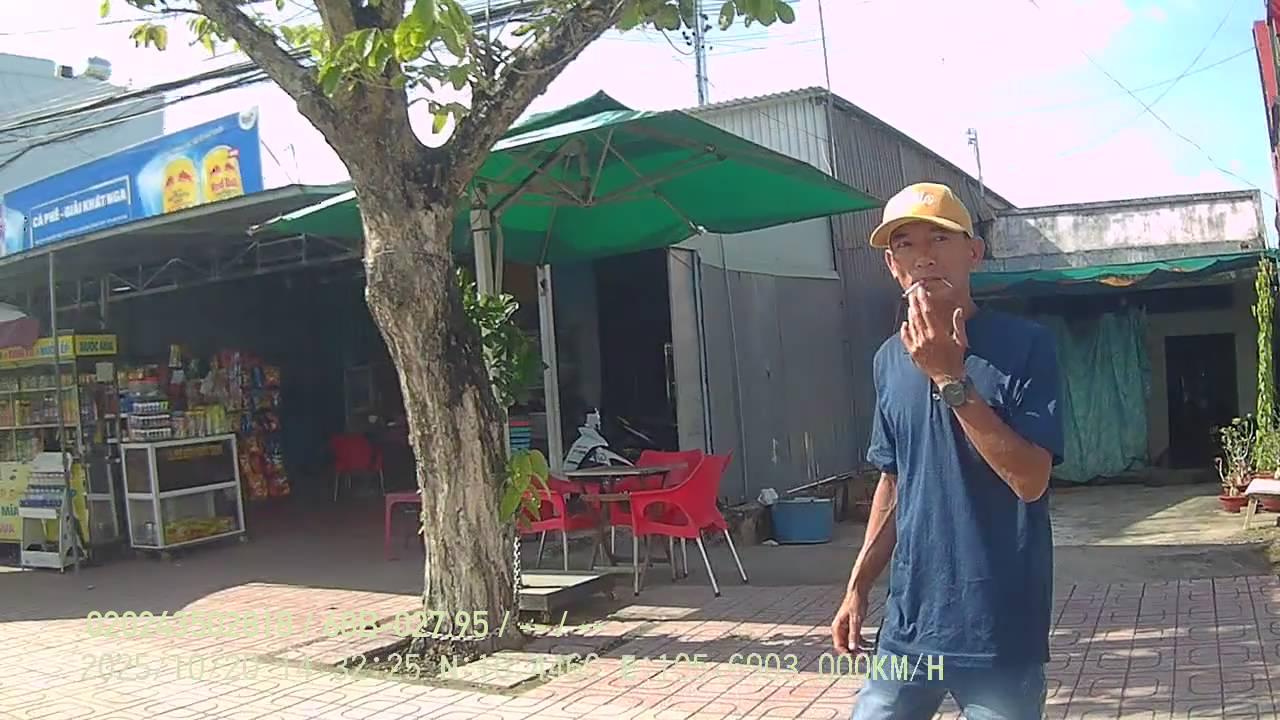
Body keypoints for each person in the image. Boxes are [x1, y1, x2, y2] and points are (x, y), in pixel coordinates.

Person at [832, 182, 1064, 719]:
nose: (924, 256)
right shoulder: (889, 359)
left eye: (939, 238)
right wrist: (858, 587)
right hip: (908, 626)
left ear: (973, 252)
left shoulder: (1025, 345)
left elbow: (1031, 480)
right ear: (892, 265)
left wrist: (949, 378)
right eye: (906, 244)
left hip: (997, 630)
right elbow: (894, 481)